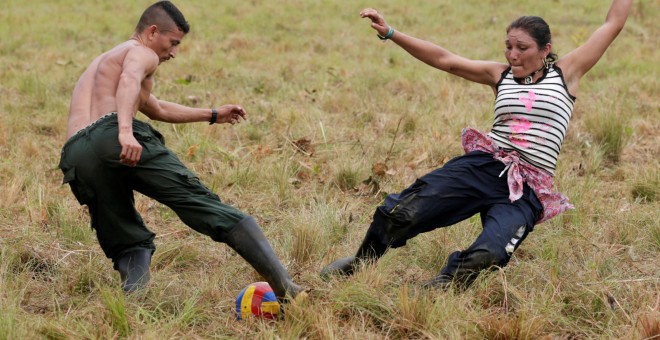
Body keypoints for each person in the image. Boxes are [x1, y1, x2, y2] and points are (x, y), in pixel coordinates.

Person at [321, 1, 632, 289]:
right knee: (400, 212)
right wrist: (391, 33)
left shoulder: (567, 73)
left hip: (527, 189)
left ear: (544, 50)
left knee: (489, 254)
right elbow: (446, 60)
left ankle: (438, 291)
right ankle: (361, 262)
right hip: (485, 167)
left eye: (522, 48)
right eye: (509, 46)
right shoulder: (500, 75)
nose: (513, 55)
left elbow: (613, 23)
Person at [59, 1, 304, 299]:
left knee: (125, 236)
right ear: (152, 32)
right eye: (173, 43)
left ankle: (132, 306)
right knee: (202, 203)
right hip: (112, 134)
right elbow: (130, 79)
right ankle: (288, 290)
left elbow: (157, 107)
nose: (173, 52)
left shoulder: (105, 61)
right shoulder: (141, 53)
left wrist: (213, 114)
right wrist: (124, 131)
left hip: (76, 155)